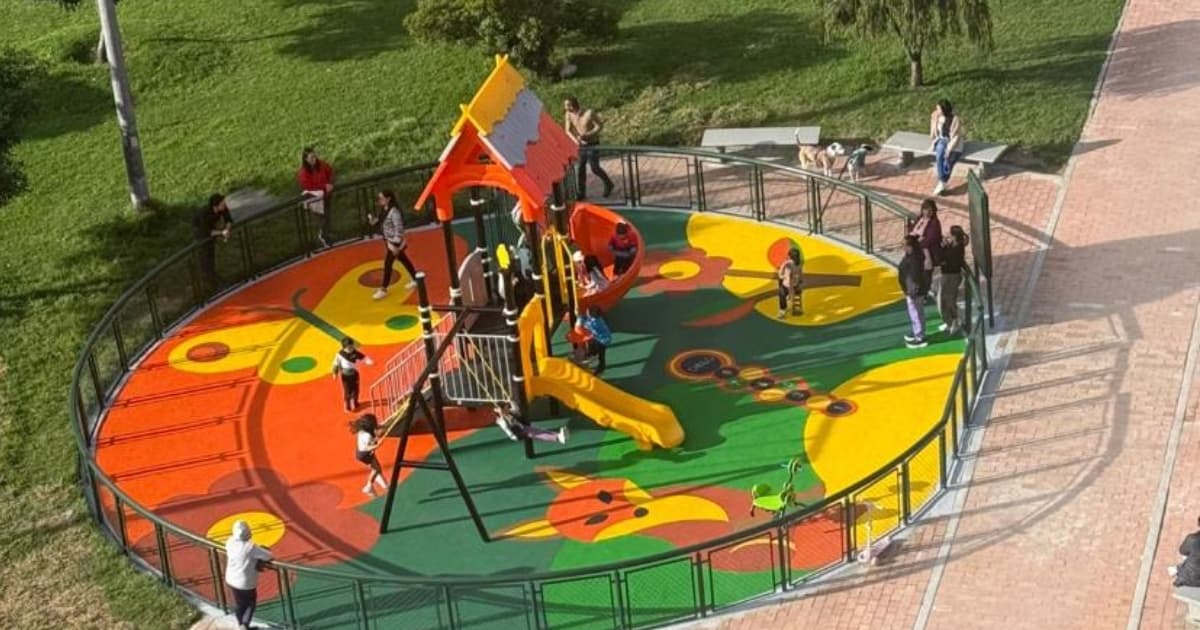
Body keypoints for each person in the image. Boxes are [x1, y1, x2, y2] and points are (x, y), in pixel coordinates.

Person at [368, 190, 417, 300]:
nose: (379, 200)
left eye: (381, 198)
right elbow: (380, 222)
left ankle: (383, 289)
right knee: (404, 260)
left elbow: (399, 229)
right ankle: (415, 278)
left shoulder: (394, 212)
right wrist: (373, 221)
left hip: (394, 242)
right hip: (389, 241)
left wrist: (395, 245)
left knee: (388, 264)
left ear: (388, 198)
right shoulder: (384, 210)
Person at [223, 519, 271, 630]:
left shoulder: (230, 542)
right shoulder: (250, 547)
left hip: (231, 579)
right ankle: (244, 625)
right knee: (250, 603)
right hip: (245, 582)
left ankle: (241, 624)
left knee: (239, 603)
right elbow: (268, 555)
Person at [564, 96, 614, 199]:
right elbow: (567, 130)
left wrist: (588, 134)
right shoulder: (568, 114)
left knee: (594, 168)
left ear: (573, 105)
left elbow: (599, 126)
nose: (565, 107)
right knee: (580, 168)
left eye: (567, 105)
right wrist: (576, 141)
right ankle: (581, 193)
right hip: (581, 145)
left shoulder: (589, 113)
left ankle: (608, 184)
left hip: (592, 143)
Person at [192, 193, 233, 293]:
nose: (224, 205)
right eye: (222, 204)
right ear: (215, 206)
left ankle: (214, 277)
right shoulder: (204, 214)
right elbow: (206, 231)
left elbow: (228, 219)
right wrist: (221, 233)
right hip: (200, 231)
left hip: (211, 228)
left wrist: (227, 230)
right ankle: (210, 284)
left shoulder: (222, 208)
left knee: (211, 254)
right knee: (205, 257)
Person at [297, 147, 336, 247]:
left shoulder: (322, 164)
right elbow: (308, 186)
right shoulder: (303, 172)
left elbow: (331, 172)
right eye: (311, 158)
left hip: (326, 195)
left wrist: (330, 183)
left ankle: (327, 234)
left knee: (327, 216)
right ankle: (323, 236)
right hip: (315, 199)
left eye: (315, 156)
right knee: (321, 218)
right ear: (306, 159)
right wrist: (324, 187)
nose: (314, 159)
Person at [909, 199, 943, 302]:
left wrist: (917, 242)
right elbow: (913, 231)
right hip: (917, 253)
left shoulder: (935, 223)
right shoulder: (920, 219)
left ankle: (923, 294)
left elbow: (930, 239)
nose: (927, 212)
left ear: (933, 211)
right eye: (925, 209)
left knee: (926, 274)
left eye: (930, 210)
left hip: (929, 254)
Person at [929, 99, 965, 196]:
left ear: (944, 110)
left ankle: (942, 182)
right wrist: (934, 120)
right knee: (939, 153)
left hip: (954, 143)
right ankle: (943, 182)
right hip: (941, 139)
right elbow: (932, 134)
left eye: (938, 109)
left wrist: (949, 150)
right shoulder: (936, 116)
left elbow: (956, 137)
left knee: (948, 161)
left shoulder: (955, 119)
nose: (936, 111)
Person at [938, 225, 969, 335]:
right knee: (942, 299)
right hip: (946, 275)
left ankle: (955, 321)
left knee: (950, 300)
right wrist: (944, 247)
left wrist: (944, 250)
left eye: (950, 234)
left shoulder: (958, 248)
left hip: (952, 277)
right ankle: (949, 322)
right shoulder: (951, 245)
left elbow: (947, 260)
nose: (948, 235)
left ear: (954, 236)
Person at [899, 235, 928, 348]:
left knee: (916, 313)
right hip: (912, 290)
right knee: (916, 313)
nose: (903, 247)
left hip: (914, 291)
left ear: (910, 246)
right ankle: (917, 331)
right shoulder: (912, 256)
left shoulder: (914, 259)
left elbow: (915, 278)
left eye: (904, 245)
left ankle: (919, 336)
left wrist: (912, 292)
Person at [349, 413, 388, 496]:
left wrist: (381, 429)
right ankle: (369, 486)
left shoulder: (362, 431)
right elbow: (368, 447)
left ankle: (382, 483)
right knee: (376, 469)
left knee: (376, 467)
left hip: (361, 453)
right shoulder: (367, 436)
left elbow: (373, 437)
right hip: (365, 454)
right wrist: (378, 444)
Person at [332, 337, 374, 412]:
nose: (351, 349)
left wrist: (370, 362)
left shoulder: (355, 352)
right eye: (349, 348)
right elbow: (336, 364)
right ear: (344, 347)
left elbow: (364, 358)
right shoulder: (340, 354)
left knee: (356, 390)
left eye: (352, 346)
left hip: (354, 374)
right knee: (347, 391)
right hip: (345, 375)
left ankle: (355, 402)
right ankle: (347, 406)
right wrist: (335, 373)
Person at [494, 407, 569, 444]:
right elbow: (507, 425)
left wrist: (511, 401)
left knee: (540, 431)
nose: (507, 409)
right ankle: (558, 438)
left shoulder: (508, 413)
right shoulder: (501, 421)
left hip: (522, 428)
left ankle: (558, 435)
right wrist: (502, 414)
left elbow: (515, 409)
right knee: (538, 434)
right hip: (517, 434)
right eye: (505, 409)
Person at [574, 307, 613, 375]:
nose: (586, 313)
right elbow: (586, 318)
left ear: (592, 314)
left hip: (603, 340)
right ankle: (591, 355)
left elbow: (586, 325)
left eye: (587, 312)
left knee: (601, 354)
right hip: (600, 338)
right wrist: (580, 316)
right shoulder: (596, 318)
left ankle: (600, 367)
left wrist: (579, 318)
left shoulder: (596, 322)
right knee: (593, 346)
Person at [776, 246, 804, 319]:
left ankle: (782, 310)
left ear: (790, 256)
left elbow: (780, 275)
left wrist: (784, 276)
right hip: (794, 286)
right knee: (783, 291)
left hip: (789, 286)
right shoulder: (798, 264)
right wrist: (799, 283)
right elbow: (800, 275)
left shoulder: (787, 264)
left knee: (781, 292)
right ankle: (785, 307)